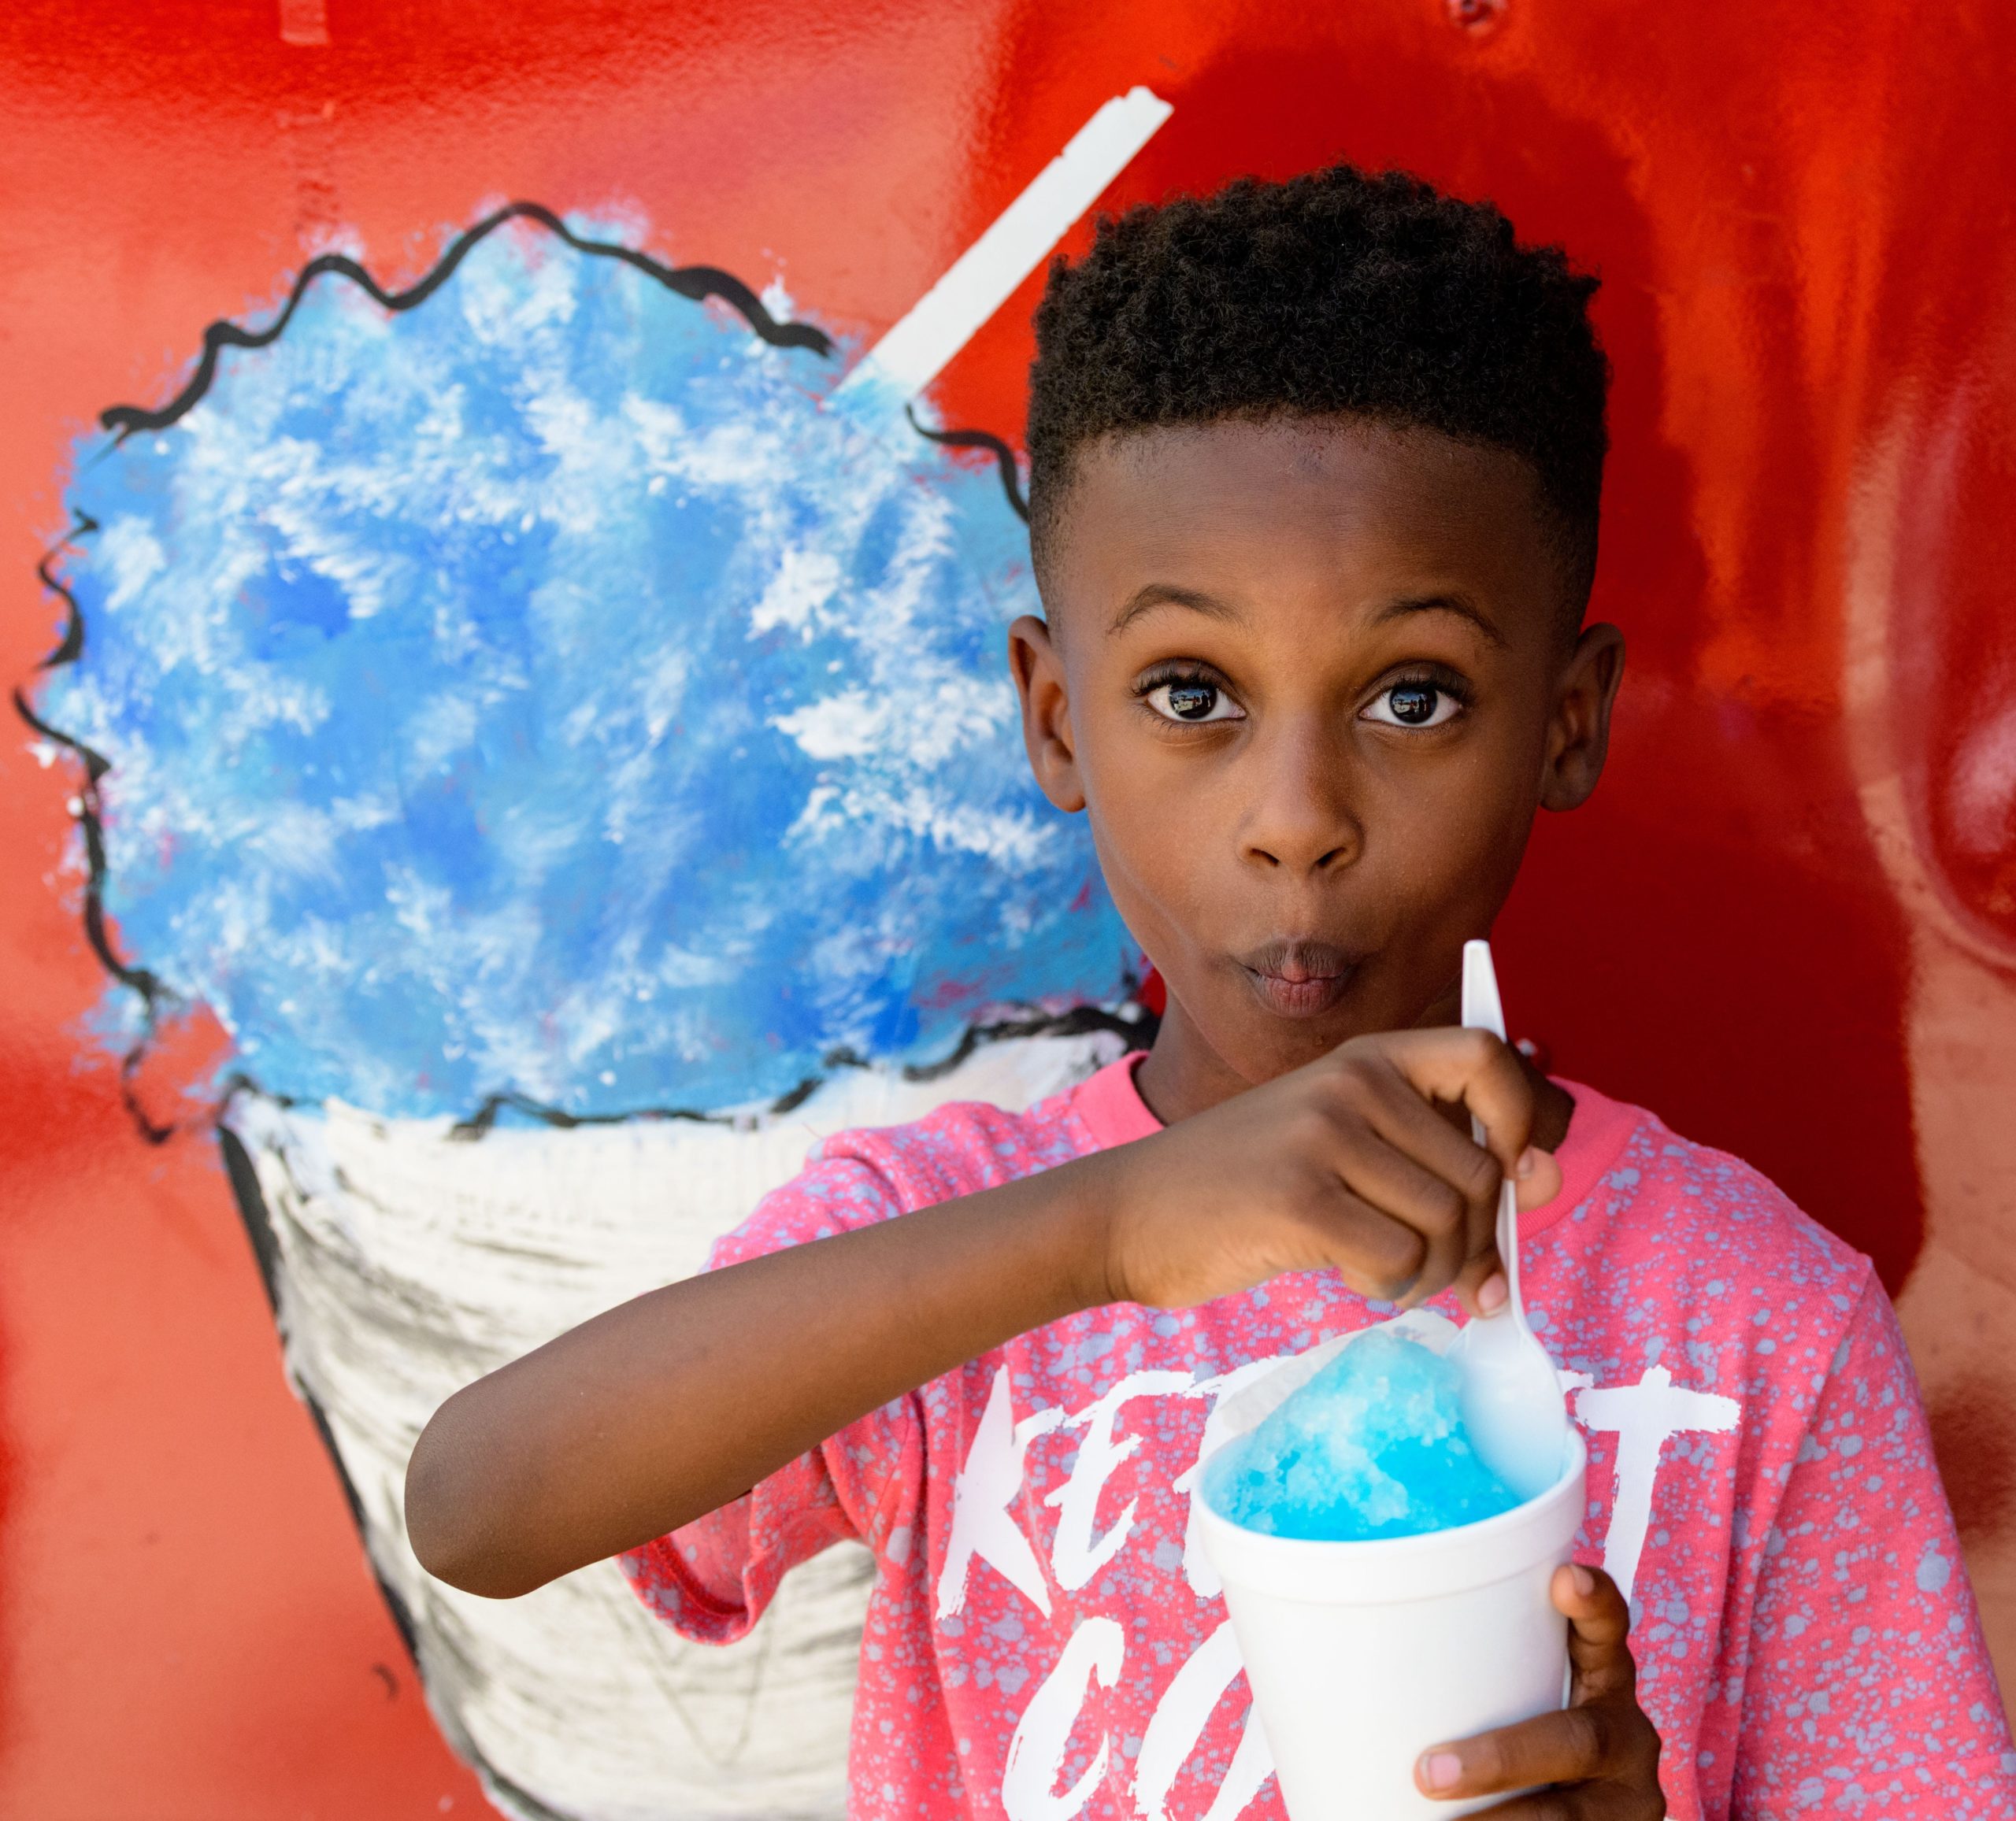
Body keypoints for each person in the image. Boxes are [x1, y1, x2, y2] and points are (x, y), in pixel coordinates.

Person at [403, 165, 2014, 1819]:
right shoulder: (957, 1232)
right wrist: (1104, 1231)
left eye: (1411, 694)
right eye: (1191, 690)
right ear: (1051, 716)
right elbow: (478, 1498)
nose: (1295, 814)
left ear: (1563, 720)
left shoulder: (1755, 1319)